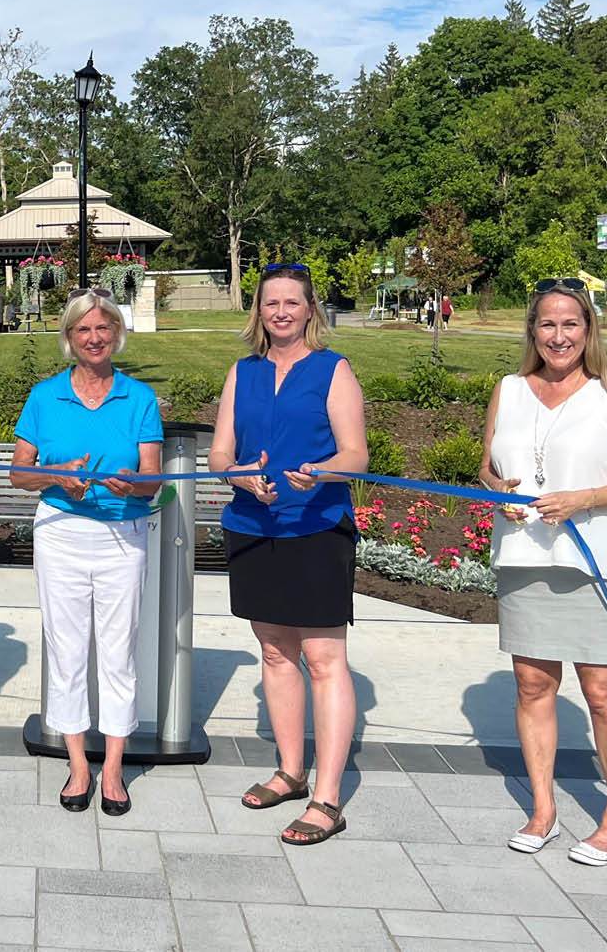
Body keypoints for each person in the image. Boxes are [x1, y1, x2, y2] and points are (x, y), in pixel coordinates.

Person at [480, 278, 607, 867]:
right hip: (525, 556)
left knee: (603, 693)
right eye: (547, 325)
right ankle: (544, 810)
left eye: (570, 324)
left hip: (595, 559)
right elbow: (488, 468)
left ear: (589, 329)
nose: (559, 336)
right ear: (532, 330)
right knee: (533, 685)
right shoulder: (508, 389)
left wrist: (582, 499)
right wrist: (498, 490)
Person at [210, 263, 369, 846]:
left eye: (291, 303)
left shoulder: (333, 370)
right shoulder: (242, 372)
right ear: (260, 311)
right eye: (270, 303)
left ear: (309, 310)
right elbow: (220, 452)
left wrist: (320, 474)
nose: (280, 312)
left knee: (324, 659)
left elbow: (356, 455)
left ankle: (328, 798)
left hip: (316, 525)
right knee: (276, 654)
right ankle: (290, 771)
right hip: (253, 524)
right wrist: (241, 478)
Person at [8, 287, 162, 818]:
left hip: (123, 537)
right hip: (61, 533)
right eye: (83, 330)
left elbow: (153, 479)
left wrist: (131, 485)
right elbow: (18, 473)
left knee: (117, 653)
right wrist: (58, 476)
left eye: (103, 329)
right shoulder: (44, 397)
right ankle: (77, 763)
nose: (94, 338)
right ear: (69, 339)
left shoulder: (139, 398)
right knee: (67, 651)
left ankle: (114, 767)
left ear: (115, 334)